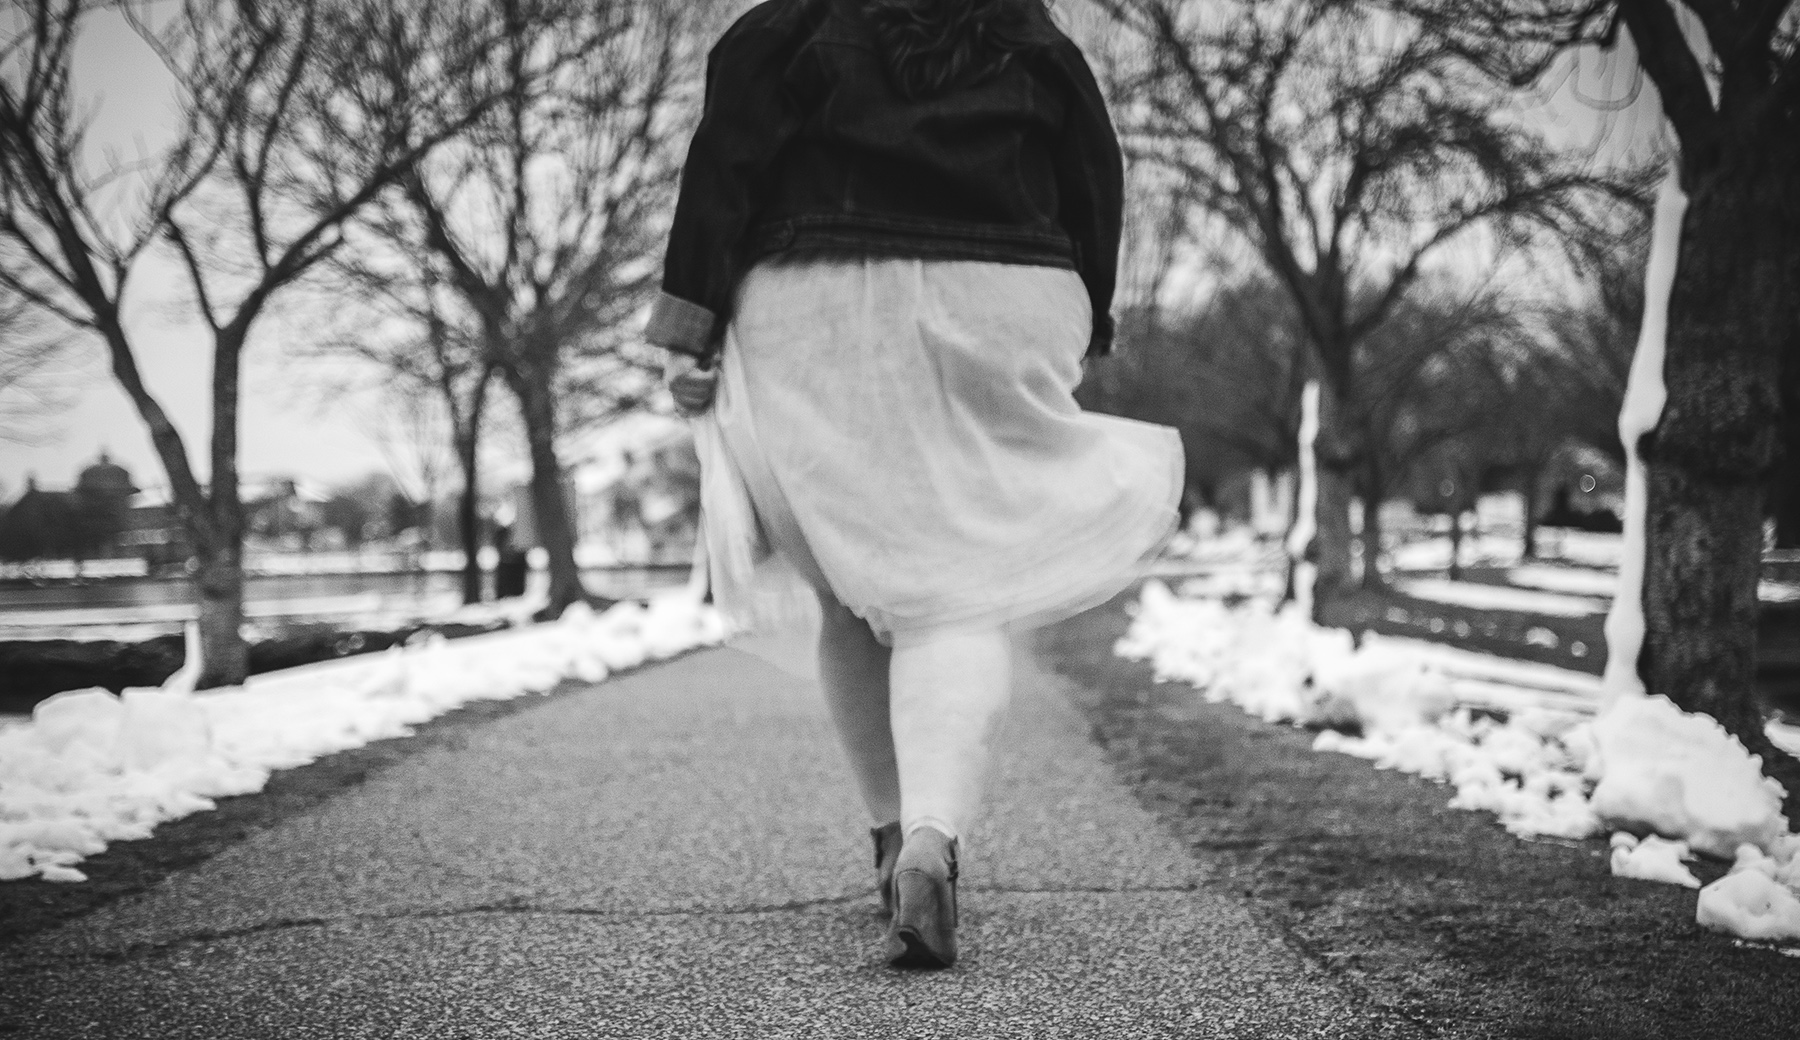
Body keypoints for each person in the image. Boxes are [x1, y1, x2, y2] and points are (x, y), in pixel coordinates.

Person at [646, 0, 1182, 969]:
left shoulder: (787, 26)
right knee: (956, 590)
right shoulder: (1029, 33)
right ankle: (935, 835)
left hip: (816, 292)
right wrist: (1085, 322)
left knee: (846, 596)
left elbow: (726, 163)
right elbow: (1094, 177)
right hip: (1005, 287)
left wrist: (691, 328)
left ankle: (893, 837)